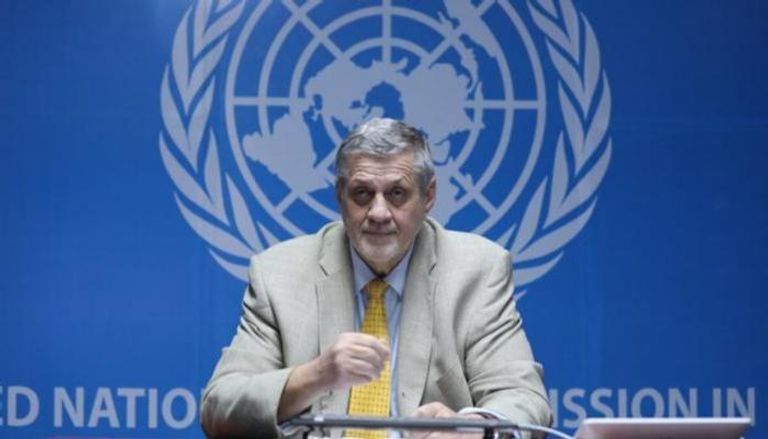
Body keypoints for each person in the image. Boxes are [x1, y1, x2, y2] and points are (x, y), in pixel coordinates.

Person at [200, 118, 551, 438]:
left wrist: (474, 430)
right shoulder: (279, 274)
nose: (379, 213)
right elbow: (220, 408)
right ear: (340, 196)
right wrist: (316, 375)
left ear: (428, 196)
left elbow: (523, 397)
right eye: (362, 194)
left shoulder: (477, 269)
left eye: (397, 194)